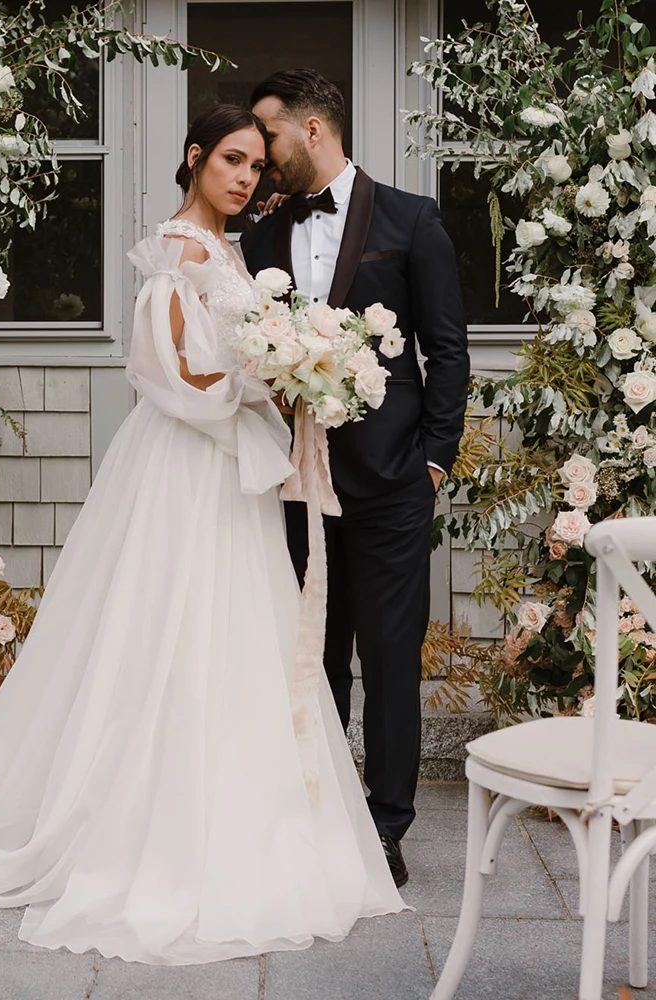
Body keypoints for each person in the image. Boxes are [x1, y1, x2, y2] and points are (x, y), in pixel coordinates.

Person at [0, 104, 406, 965]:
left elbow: (227, 363)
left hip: (230, 481)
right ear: (194, 158)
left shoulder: (232, 250)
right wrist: (263, 374)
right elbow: (169, 375)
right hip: (182, 470)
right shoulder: (176, 252)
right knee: (166, 627)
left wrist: (285, 372)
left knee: (234, 636)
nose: (245, 179)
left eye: (256, 168)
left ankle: (239, 811)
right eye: (230, 161)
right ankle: (147, 821)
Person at [242, 69, 470, 888]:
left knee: (389, 655)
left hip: (391, 482)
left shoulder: (411, 220)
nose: (258, 155)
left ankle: (385, 825)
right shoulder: (261, 234)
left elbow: (447, 349)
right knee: (314, 652)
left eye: (266, 135)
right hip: (295, 483)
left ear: (311, 128)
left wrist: (434, 460)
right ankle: (319, 807)